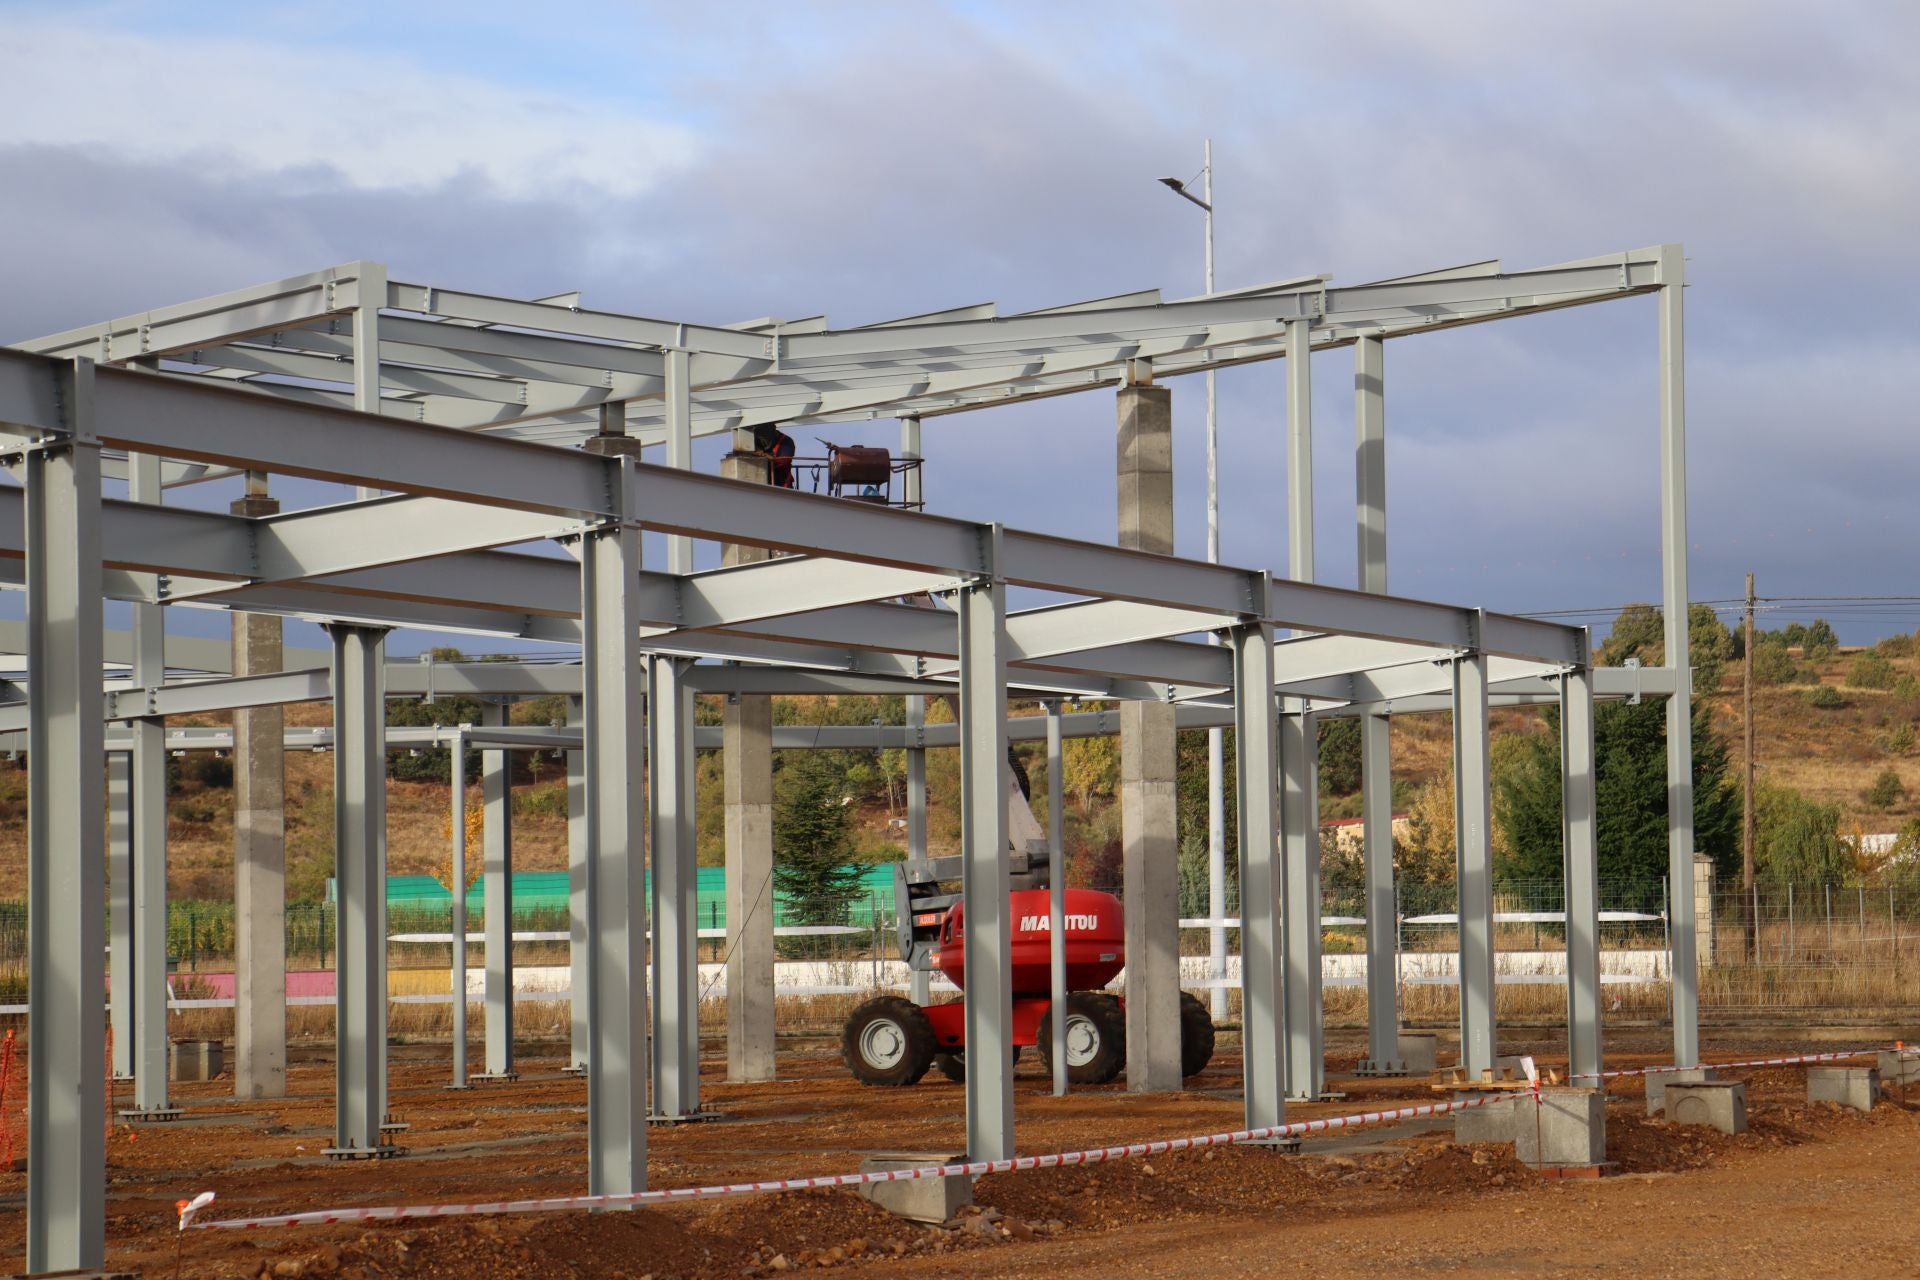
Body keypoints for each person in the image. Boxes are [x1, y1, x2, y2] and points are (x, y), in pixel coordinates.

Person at [753, 423, 797, 488]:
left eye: (764, 433)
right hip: (760, 482)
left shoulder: (786, 441)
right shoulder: (756, 441)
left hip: (781, 483)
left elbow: (784, 461)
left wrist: (765, 456)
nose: (762, 437)